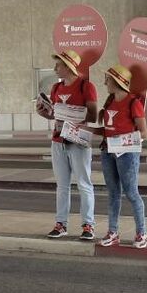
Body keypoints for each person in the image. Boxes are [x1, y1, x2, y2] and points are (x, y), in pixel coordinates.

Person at [81, 64, 147, 248]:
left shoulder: (134, 103)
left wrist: (121, 141)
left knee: (132, 193)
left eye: (108, 79)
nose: (105, 83)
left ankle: (142, 233)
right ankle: (113, 232)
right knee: (113, 193)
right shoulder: (110, 102)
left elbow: (143, 133)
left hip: (127, 154)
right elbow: (107, 130)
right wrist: (85, 128)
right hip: (107, 151)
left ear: (118, 81)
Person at [37, 49, 98, 240]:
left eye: (59, 65)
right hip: (58, 141)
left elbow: (93, 115)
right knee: (62, 186)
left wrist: (73, 117)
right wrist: (44, 112)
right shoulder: (56, 88)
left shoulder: (86, 87)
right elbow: (54, 115)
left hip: (78, 141)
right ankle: (61, 224)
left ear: (69, 66)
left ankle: (88, 225)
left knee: (84, 184)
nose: (55, 68)